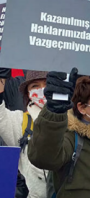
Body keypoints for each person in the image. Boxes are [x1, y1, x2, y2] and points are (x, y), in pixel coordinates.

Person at [0, 70, 48, 198]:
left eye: (46, 84)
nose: (42, 90)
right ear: (28, 93)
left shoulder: (74, 120)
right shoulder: (20, 121)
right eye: (35, 86)